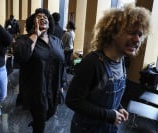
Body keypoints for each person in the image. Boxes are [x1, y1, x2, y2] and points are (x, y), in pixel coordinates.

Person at [65, 3, 151, 133]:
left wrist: (118, 108)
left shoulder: (121, 61)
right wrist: (109, 115)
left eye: (140, 34)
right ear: (113, 33)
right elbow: (72, 100)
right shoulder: (93, 63)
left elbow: (106, 98)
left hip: (109, 128)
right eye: (131, 33)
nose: (137, 40)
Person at [15, 8, 67, 133]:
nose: (43, 18)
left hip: (53, 86)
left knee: (51, 112)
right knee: (40, 121)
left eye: (45, 17)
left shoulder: (57, 41)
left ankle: (37, 122)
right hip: (36, 89)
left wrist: (62, 84)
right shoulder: (24, 40)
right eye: (38, 17)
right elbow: (22, 56)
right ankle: (38, 125)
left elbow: (62, 63)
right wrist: (35, 35)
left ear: (49, 22)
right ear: (33, 22)